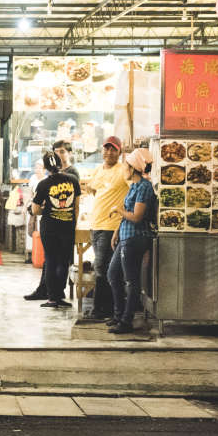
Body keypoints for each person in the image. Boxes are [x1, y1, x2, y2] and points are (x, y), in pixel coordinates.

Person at [106, 148, 157, 334]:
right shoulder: (134, 187)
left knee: (131, 281)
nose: (123, 168)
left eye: (125, 165)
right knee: (112, 274)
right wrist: (117, 231)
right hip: (125, 236)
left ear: (133, 167)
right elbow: (129, 214)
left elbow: (136, 217)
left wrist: (117, 210)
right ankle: (119, 315)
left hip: (136, 238)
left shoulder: (144, 187)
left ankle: (126, 321)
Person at [85, 136, 130, 320]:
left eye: (114, 149)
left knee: (102, 268)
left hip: (111, 227)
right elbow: (92, 188)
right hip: (96, 225)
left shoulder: (123, 170)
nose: (109, 152)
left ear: (119, 152)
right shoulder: (98, 170)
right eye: (107, 149)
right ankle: (106, 308)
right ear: (102, 150)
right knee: (102, 268)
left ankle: (101, 310)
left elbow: (133, 190)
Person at [30, 151, 81, 309]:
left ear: (45, 166)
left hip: (50, 228)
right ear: (59, 163)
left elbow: (35, 210)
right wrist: (72, 221)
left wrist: (47, 208)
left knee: (51, 260)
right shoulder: (73, 180)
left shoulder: (44, 184)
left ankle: (52, 298)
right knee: (63, 262)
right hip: (68, 226)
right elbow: (76, 206)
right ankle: (59, 295)